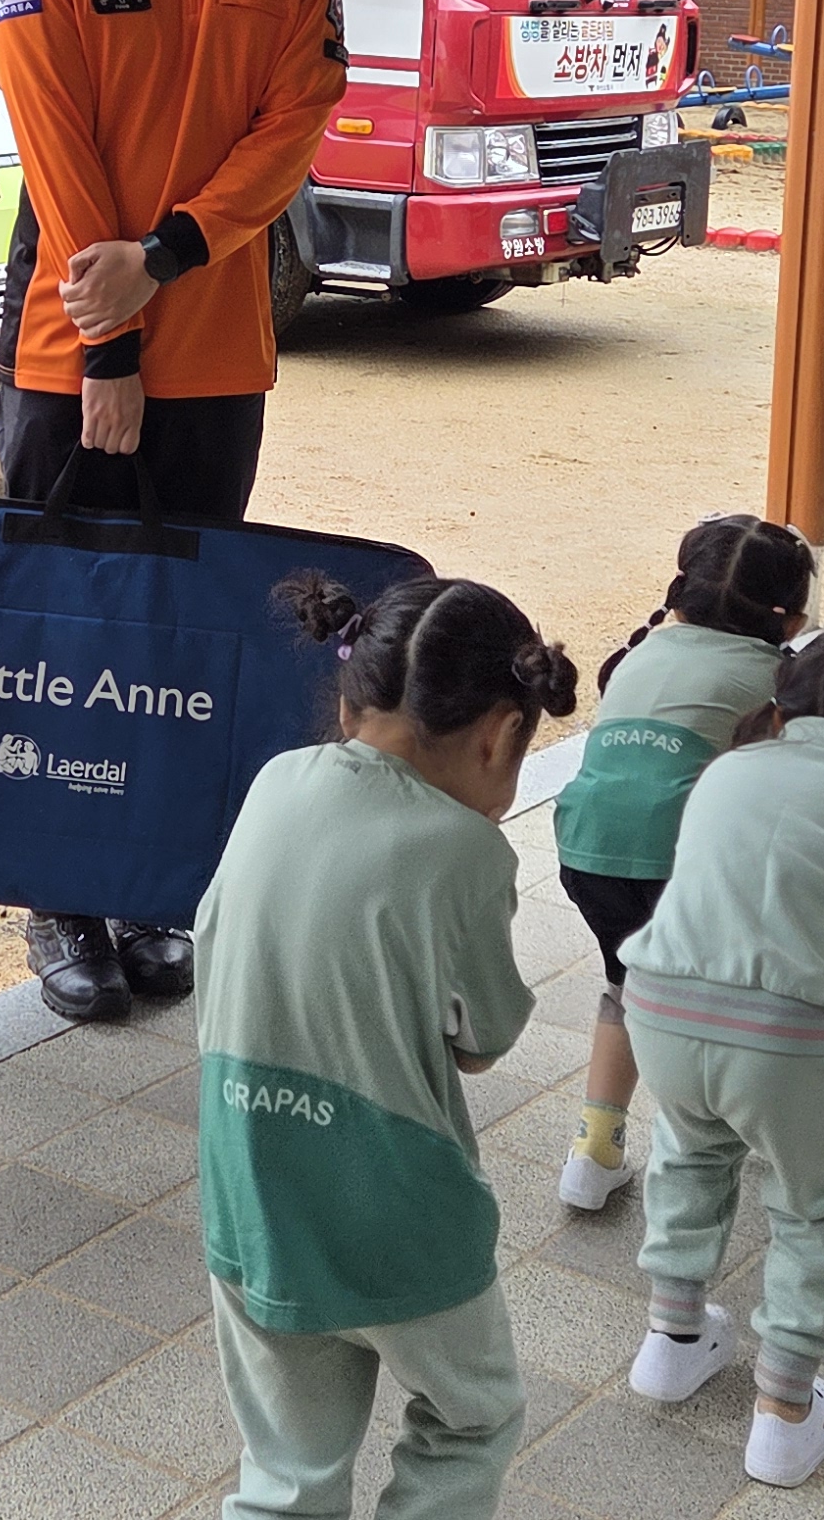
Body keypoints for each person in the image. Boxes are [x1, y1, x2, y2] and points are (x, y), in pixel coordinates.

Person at [0, 0, 350, 1024]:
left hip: (219, 357)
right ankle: (56, 899)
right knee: (66, 628)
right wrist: (113, 342)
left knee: (182, 636)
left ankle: (146, 886)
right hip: (72, 352)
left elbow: (290, 129)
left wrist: (178, 255)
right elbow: (61, 153)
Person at [195, 573, 576, 1520]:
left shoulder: (276, 781)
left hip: (250, 1189)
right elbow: (482, 1040)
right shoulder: (468, 850)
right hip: (398, 1207)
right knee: (470, 1417)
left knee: (288, 1465)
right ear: (498, 732)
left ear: (351, 694)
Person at [616, 630, 824, 1491]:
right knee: (810, 1210)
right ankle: (784, 1417)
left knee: (688, 1160)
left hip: (657, 1005)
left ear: (784, 703)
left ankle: (671, 1341)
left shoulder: (727, 769)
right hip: (786, 1043)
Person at [550, 514, 816, 1213]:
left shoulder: (640, 654)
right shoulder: (779, 679)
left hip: (587, 851)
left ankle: (592, 1151)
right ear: (789, 620)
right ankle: (734, 1126)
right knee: (737, 987)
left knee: (626, 985)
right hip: (682, 858)